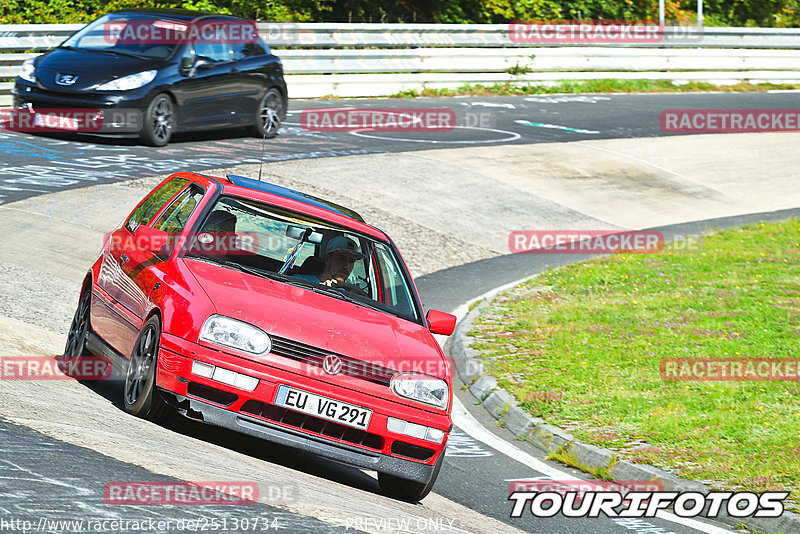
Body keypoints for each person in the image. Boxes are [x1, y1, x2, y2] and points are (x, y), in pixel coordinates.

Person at [294, 236, 366, 287]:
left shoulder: (346, 294)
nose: (346, 265)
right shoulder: (300, 281)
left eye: (352, 261)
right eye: (341, 258)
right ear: (327, 259)